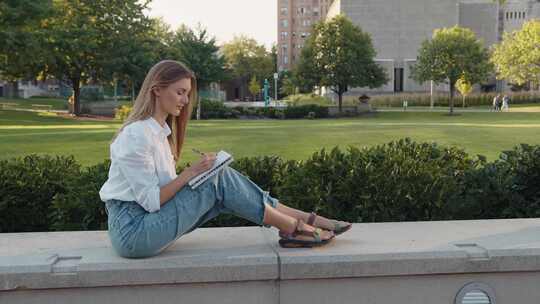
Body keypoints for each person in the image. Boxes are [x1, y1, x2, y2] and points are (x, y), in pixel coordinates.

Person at [99, 60, 352, 258]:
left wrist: (200, 172)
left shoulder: (159, 134)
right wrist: (191, 173)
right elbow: (151, 201)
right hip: (134, 232)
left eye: (187, 94)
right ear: (156, 91)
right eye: (180, 92)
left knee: (220, 181)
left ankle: (299, 221)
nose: (186, 101)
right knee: (217, 179)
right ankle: (295, 226)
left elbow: (162, 195)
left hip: (146, 225)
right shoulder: (136, 136)